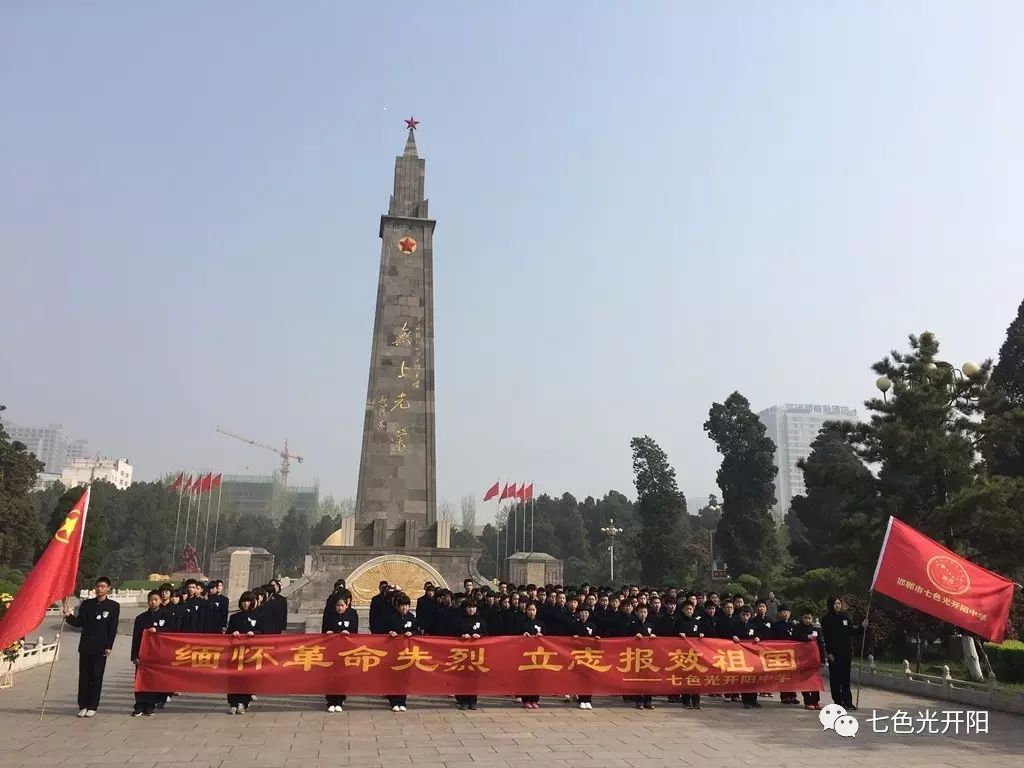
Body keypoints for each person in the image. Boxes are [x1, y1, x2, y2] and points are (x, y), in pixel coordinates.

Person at [63, 576, 120, 717]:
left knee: (96, 676)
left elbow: (112, 628)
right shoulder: (87, 604)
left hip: (101, 647)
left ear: (108, 588)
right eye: (98, 586)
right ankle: (82, 705)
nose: (100, 589)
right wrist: (68, 616)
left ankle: (93, 706)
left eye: (103, 586)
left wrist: (109, 645)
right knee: (84, 677)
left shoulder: (113, 606)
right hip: (86, 645)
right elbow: (79, 622)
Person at [820, 596, 867, 710]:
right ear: (831, 605)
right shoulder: (827, 619)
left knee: (846, 679)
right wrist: (829, 652)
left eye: (839, 603)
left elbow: (852, 631)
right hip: (834, 653)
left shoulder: (845, 618)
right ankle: (838, 701)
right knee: (836, 678)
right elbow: (826, 636)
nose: (837, 605)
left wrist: (862, 626)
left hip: (846, 652)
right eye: (835, 603)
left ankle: (848, 702)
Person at [130, 590, 169, 716]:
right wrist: (134, 655)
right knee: (140, 679)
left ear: (160, 601)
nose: (153, 602)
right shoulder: (141, 618)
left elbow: (171, 632)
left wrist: (158, 630)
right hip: (143, 654)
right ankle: (139, 705)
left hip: (158, 654)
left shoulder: (166, 616)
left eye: (156, 599)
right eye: (151, 600)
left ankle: (150, 706)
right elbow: (136, 637)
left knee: (153, 680)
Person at [225, 591, 262, 714]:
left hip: (250, 653)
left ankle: (243, 702)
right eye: (244, 601)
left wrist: (254, 633)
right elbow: (227, 633)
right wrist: (232, 633)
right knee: (233, 678)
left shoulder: (258, 616)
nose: (246, 603)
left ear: (252, 602)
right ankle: (233, 703)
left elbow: (263, 631)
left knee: (247, 677)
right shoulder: (234, 617)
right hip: (235, 653)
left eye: (248, 601)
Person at [322, 589, 358, 712]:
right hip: (331, 649)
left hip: (345, 650)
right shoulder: (329, 614)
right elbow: (324, 630)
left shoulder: (352, 614)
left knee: (342, 675)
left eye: (342, 605)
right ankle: (330, 700)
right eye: (337, 605)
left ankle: (340, 700)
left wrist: (348, 633)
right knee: (330, 675)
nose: (340, 608)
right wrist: (328, 633)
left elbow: (355, 633)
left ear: (347, 605)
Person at [385, 594, 418, 711]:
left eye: (406, 605)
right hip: (394, 651)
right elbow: (384, 630)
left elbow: (417, 630)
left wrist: (412, 633)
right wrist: (390, 632)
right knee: (394, 676)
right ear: (397, 606)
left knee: (404, 677)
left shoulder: (412, 617)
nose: (404, 608)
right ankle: (394, 701)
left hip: (407, 651)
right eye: (402, 605)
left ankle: (402, 702)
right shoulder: (392, 617)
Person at [454, 600, 486, 711]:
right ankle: (463, 701)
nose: (471, 609)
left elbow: (486, 634)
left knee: (474, 677)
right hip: (462, 653)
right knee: (462, 677)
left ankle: (473, 700)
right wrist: (462, 635)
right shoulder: (459, 620)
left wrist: (480, 635)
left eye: (473, 607)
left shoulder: (480, 620)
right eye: (469, 607)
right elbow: (453, 633)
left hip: (475, 653)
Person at [791, 607, 825, 710]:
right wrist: (806, 637)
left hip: (813, 660)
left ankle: (815, 701)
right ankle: (808, 701)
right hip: (802, 659)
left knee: (814, 681)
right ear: (802, 618)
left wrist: (822, 659)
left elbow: (821, 644)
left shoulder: (816, 629)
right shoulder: (797, 628)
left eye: (809, 618)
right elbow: (794, 638)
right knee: (804, 681)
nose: (807, 620)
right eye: (805, 618)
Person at [566, 605, 598, 709]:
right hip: (578, 655)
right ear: (579, 614)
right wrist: (573, 638)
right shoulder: (574, 625)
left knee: (589, 678)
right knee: (580, 678)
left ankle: (588, 699)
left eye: (586, 613)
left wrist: (597, 638)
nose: (584, 614)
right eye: (582, 612)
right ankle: (581, 699)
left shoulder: (593, 625)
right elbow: (567, 640)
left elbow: (597, 638)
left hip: (590, 656)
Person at [675, 601, 704, 710]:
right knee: (685, 677)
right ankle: (686, 701)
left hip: (696, 654)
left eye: (691, 609)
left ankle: (696, 702)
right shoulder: (679, 622)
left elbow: (703, 633)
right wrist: (679, 634)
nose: (689, 611)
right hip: (684, 654)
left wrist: (702, 634)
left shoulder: (697, 622)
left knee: (696, 678)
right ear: (683, 610)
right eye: (687, 609)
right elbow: (672, 634)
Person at [732, 605, 761, 709]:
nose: (745, 617)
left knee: (754, 678)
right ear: (740, 615)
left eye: (747, 615)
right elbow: (728, 635)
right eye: (743, 615)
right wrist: (733, 637)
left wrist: (758, 638)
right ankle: (746, 701)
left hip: (752, 655)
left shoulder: (754, 626)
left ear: (750, 615)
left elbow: (760, 635)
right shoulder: (735, 626)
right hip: (741, 656)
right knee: (745, 678)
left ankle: (754, 700)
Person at [519, 602, 546, 709]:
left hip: (538, 653)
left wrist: (541, 636)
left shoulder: (541, 623)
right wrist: (522, 635)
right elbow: (514, 635)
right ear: (526, 611)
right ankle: (525, 700)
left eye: (533, 610)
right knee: (525, 677)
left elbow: (547, 637)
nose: (531, 612)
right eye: (529, 610)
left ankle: (535, 700)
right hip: (525, 654)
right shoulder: (522, 622)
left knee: (537, 677)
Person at [629, 603, 656, 710]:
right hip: (636, 656)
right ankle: (639, 701)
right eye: (640, 612)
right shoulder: (633, 625)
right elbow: (626, 638)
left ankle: (648, 701)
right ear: (636, 613)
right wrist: (634, 636)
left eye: (644, 612)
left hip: (649, 656)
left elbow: (658, 639)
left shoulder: (651, 625)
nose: (643, 614)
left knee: (649, 679)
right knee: (638, 679)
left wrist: (654, 636)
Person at [771, 604, 799, 704]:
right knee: (783, 675)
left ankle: (793, 695)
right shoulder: (775, 625)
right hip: (780, 653)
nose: (786, 614)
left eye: (788, 612)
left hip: (791, 654)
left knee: (792, 675)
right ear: (779, 613)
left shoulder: (794, 625)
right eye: (784, 612)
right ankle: (784, 696)